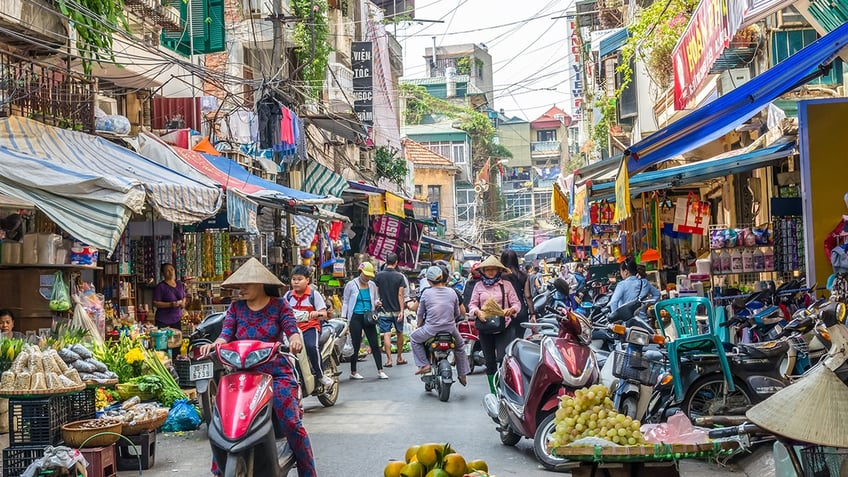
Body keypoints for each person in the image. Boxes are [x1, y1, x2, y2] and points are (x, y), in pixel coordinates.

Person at [197, 258, 315, 477]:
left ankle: (308, 472)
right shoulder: (235, 308)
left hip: (276, 373)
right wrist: (215, 345)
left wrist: (296, 339)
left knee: (291, 422)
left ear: (261, 284)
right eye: (239, 285)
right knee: (223, 421)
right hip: (241, 376)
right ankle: (219, 470)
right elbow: (225, 334)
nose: (241, 289)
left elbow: (291, 329)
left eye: (246, 284)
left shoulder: (280, 305)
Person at [468, 256, 521, 394]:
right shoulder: (478, 286)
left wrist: (512, 310)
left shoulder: (507, 285)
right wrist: (477, 312)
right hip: (485, 328)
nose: (490, 272)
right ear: (483, 271)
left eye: (493, 269)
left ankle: (505, 388)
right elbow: (472, 304)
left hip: (504, 326)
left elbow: (516, 303)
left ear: (498, 270)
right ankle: (494, 391)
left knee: (503, 359)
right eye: (488, 270)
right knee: (490, 362)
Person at [410, 266, 470, 385]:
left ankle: (424, 364)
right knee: (460, 346)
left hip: (430, 329)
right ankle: (462, 373)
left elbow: (420, 313)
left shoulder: (426, 293)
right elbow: (457, 313)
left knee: (413, 338)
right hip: (450, 329)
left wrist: (419, 325)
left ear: (428, 280)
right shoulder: (452, 292)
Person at [285, 265, 333, 388]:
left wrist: (316, 313)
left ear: (307, 280)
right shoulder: (288, 296)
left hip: (310, 327)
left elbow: (324, 313)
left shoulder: (314, 295)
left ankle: (321, 375)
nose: (296, 282)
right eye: (294, 279)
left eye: (299, 279)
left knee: (311, 346)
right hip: (292, 330)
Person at [341, 262, 388, 380]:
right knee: (355, 344)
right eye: (365, 275)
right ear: (360, 272)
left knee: (374, 343)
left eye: (369, 276)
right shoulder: (351, 285)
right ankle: (353, 371)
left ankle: (380, 370)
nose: (367, 278)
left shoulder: (372, 285)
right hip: (355, 317)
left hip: (369, 317)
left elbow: (375, 298)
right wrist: (343, 318)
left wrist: (377, 302)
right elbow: (345, 302)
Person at [372, 253, 408, 367]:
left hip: (383, 310)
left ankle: (389, 360)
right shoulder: (399, 277)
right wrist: (402, 311)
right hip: (397, 310)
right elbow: (400, 294)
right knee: (399, 333)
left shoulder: (379, 276)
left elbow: (375, 292)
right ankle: (399, 357)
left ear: (386, 262)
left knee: (386, 334)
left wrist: (376, 303)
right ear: (396, 262)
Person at [500, 249, 529, 340]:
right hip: (521, 311)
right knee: (518, 340)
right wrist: (533, 314)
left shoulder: (499, 276)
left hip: (504, 311)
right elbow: (528, 296)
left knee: (504, 341)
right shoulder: (523, 275)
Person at [152, 263, 186, 330]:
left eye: (172, 269)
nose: (170, 272)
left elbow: (183, 297)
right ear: (163, 274)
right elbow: (155, 303)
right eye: (167, 271)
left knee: (177, 338)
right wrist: (170, 304)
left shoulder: (179, 284)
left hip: (176, 318)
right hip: (163, 320)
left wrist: (183, 303)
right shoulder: (160, 286)